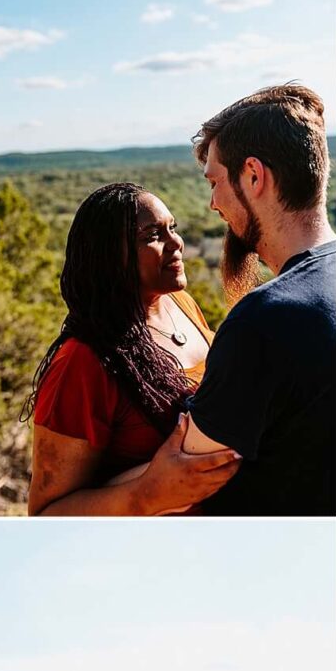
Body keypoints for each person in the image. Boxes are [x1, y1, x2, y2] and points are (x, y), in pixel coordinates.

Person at [27, 184, 241, 517]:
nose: (176, 243)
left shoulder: (179, 304)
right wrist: (145, 495)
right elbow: (46, 513)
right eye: (153, 235)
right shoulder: (82, 362)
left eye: (173, 228)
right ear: (110, 254)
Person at [182, 84, 336, 516]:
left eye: (215, 182)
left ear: (253, 175)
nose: (214, 203)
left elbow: (186, 475)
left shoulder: (267, 319)